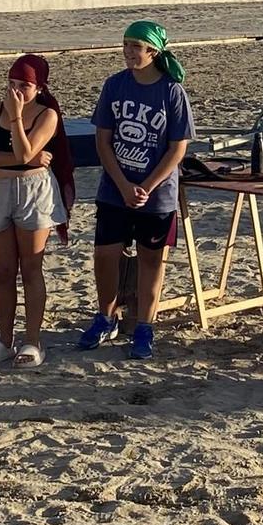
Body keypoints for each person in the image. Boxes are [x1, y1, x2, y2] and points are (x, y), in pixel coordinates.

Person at [76, 21, 193, 360]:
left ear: (153, 52)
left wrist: (146, 186)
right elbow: (103, 139)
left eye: (136, 46)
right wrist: (124, 185)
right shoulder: (115, 85)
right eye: (125, 44)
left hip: (156, 194)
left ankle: (144, 325)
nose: (128, 52)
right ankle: (105, 316)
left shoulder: (171, 91)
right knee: (105, 255)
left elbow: (178, 148)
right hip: (115, 189)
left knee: (151, 260)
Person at [0, 54, 73, 368]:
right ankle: (4, 338)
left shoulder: (46, 115)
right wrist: (27, 157)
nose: (16, 91)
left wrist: (18, 120)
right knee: (3, 270)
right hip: (1, 190)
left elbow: (24, 151)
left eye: (25, 85)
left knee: (31, 268)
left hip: (33, 192)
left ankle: (32, 340)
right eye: (12, 84)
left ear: (39, 87)